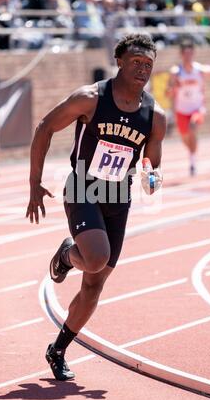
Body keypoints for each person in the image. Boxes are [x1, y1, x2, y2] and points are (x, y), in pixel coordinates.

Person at [26, 33, 166, 381]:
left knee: (94, 284)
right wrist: (34, 182)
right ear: (119, 60)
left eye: (148, 65)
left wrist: (153, 179)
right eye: (136, 61)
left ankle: (57, 349)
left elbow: (153, 164)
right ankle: (66, 256)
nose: (142, 69)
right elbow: (45, 127)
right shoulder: (91, 98)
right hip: (83, 187)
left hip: (119, 197)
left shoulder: (155, 115)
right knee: (97, 257)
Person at [166, 39, 210, 176]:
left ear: (193, 54)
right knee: (185, 138)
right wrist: (173, 88)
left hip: (197, 108)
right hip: (181, 110)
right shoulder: (176, 72)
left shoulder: (200, 70)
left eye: (190, 53)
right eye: (185, 53)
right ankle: (192, 154)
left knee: (192, 128)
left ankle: (193, 162)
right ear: (181, 54)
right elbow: (167, 92)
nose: (188, 56)